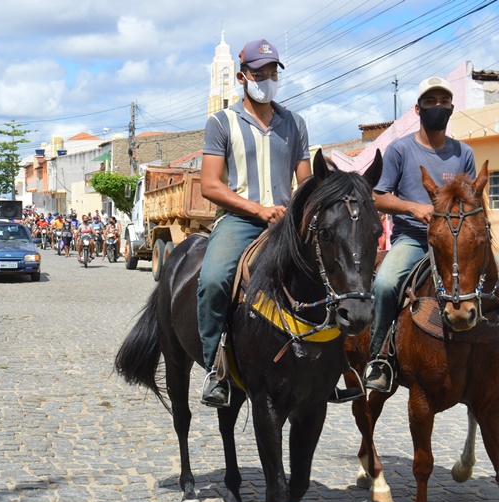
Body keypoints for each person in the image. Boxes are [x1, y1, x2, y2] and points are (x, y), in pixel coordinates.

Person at [197, 38, 340, 406]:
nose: (267, 78)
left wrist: (305, 207)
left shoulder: (295, 123)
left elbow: (305, 182)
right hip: (239, 221)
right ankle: (216, 368)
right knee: (214, 280)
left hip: (285, 222)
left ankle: (338, 366)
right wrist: (258, 210)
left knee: (336, 277)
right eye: (259, 73)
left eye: (272, 72)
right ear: (242, 76)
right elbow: (211, 184)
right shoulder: (221, 122)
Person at [364, 77, 476, 392]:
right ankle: (380, 358)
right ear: (418, 108)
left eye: (444, 102)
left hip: (455, 242)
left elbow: (469, 199)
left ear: (452, 108)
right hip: (413, 239)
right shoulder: (400, 149)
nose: (438, 107)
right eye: (430, 102)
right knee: (385, 284)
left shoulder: (463, 153)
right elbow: (378, 196)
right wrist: (414, 208)